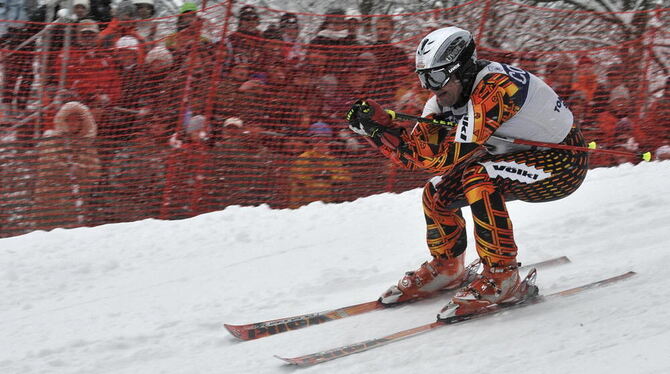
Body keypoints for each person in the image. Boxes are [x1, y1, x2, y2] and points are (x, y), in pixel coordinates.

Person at [346, 26, 589, 317]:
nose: (431, 88)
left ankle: (503, 277)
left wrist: (384, 131)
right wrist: (378, 128)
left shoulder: (496, 88)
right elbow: (418, 158)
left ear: (462, 69)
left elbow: (442, 158)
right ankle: (447, 267)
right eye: (424, 78)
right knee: (436, 192)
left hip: (563, 164)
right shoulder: (440, 101)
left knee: (478, 176)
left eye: (436, 77)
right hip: (520, 159)